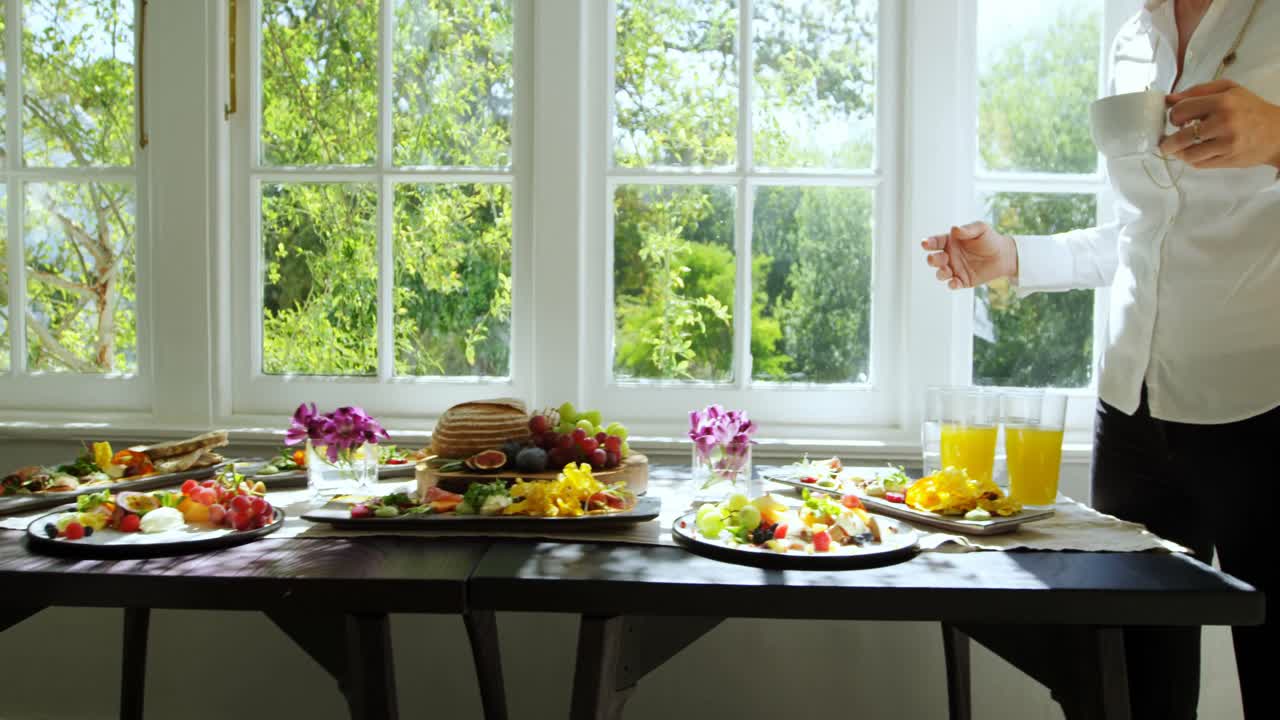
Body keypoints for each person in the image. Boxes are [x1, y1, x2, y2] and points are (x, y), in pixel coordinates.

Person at [920, 0, 1278, 717]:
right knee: (1125, 692)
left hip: (1263, 409)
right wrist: (1016, 257)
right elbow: (1143, 231)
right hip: (1133, 410)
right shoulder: (1134, 36)